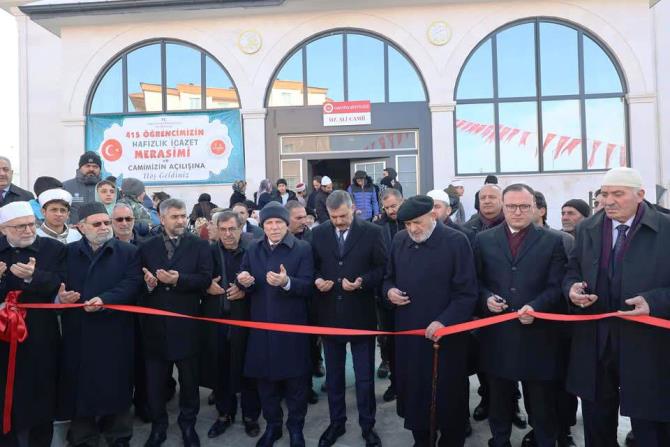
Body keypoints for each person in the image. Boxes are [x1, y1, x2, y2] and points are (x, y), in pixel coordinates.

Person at [565, 167, 670, 447]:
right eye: (604, 194)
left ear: (640, 195)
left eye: (618, 194)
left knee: (650, 424)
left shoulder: (666, 229)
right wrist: (572, 289)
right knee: (597, 418)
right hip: (596, 340)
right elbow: (572, 269)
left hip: (647, 343)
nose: (608, 200)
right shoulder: (587, 228)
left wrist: (656, 301)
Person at [474, 184, 567, 447]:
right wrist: (486, 298)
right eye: (512, 206)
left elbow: (556, 286)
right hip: (498, 336)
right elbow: (476, 282)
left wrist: (536, 306)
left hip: (538, 336)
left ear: (535, 208)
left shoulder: (553, 240)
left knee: (541, 404)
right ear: (503, 207)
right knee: (499, 400)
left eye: (524, 206)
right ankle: (499, 440)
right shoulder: (483, 240)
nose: (517, 211)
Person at [383, 195, 477, 446]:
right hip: (409, 336)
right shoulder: (400, 240)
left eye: (417, 222)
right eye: (407, 224)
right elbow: (388, 278)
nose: (413, 229)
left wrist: (444, 322)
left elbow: (467, 293)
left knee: (448, 396)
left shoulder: (456, 241)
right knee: (414, 393)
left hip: (445, 338)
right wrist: (389, 292)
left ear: (433, 215)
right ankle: (421, 439)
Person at [56, 202, 142, 447]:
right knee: (79, 383)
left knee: (118, 382)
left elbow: (132, 283)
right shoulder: (68, 252)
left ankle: (119, 434)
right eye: (97, 224)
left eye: (107, 222)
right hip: (79, 330)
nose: (104, 227)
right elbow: (59, 283)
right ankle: (84, 435)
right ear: (82, 227)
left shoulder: (128, 251)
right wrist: (61, 297)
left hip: (115, 330)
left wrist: (106, 299)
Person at [312, 191, 386, 447]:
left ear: (353, 209)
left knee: (364, 379)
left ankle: (368, 426)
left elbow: (382, 269)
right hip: (329, 316)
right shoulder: (319, 233)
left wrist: (363, 282)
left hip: (361, 317)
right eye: (333, 217)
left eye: (343, 216)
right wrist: (317, 279)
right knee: (333, 379)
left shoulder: (373, 232)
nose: (339, 222)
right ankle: (336, 423)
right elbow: (313, 266)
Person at [236, 202, 314, 447]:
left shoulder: (302, 249)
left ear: (287, 224)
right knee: (266, 384)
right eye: (269, 223)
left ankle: (296, 428)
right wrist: (244, 280)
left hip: (292, 329)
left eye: (279, 222)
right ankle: (273, 426)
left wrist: (286, 282)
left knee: (296, 385)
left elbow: (308, 286)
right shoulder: (253, 249)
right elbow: (244, 276)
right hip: (261, 328)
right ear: (263, 226)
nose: (274, 227)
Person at [138, 198, 213, 447]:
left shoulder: (199, 245)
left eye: (183, 216)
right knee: (155, 383)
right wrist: (148, 285)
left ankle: (188, 424)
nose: (181, 220)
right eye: (175, 216)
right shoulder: (146, 247)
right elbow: (138, 283)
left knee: (189, 382)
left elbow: (204, 279)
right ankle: (158, 426)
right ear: (162, 218)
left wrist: (178, 279)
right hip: (155, 329)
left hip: (187, 327)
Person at [0, 201, 65, 447]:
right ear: (3, 229)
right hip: (2, 333)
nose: (28, 231)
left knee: (42, 387)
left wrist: (32, 277)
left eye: (31, 224)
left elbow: (61, 282)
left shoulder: (53, 248)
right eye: (19, 227)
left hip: (40, 331)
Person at [200, 211, 261, 440]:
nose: (228, 234)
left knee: (247, 369)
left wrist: (246, 289)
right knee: (221, 368)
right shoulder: (206, 252)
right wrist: (206, 286)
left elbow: (262, 282)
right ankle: (224, 414)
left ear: (241, 228)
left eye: (232, 229)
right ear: (216, 229)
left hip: (244, 320)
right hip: (216, 320)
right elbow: (195, 278)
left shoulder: (253, 250)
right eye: (223, 229)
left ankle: (250, 416)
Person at [375, 188, 405, 401]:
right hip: (385, 294)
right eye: (387, 207)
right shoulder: (377, 228)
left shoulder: (413, 222)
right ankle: (395, 383)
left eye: (394, 206)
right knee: (390, 341)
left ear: (402, 202)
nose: (391, 210)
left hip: (414, 294)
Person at [62, 151, 103, 222]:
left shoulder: (108, 188)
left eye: (95, 166)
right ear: (80, 168)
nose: (91, 169)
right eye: (87, 166)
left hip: (100, 231)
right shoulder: (65, 187)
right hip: (74, 231)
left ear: (100, 169)